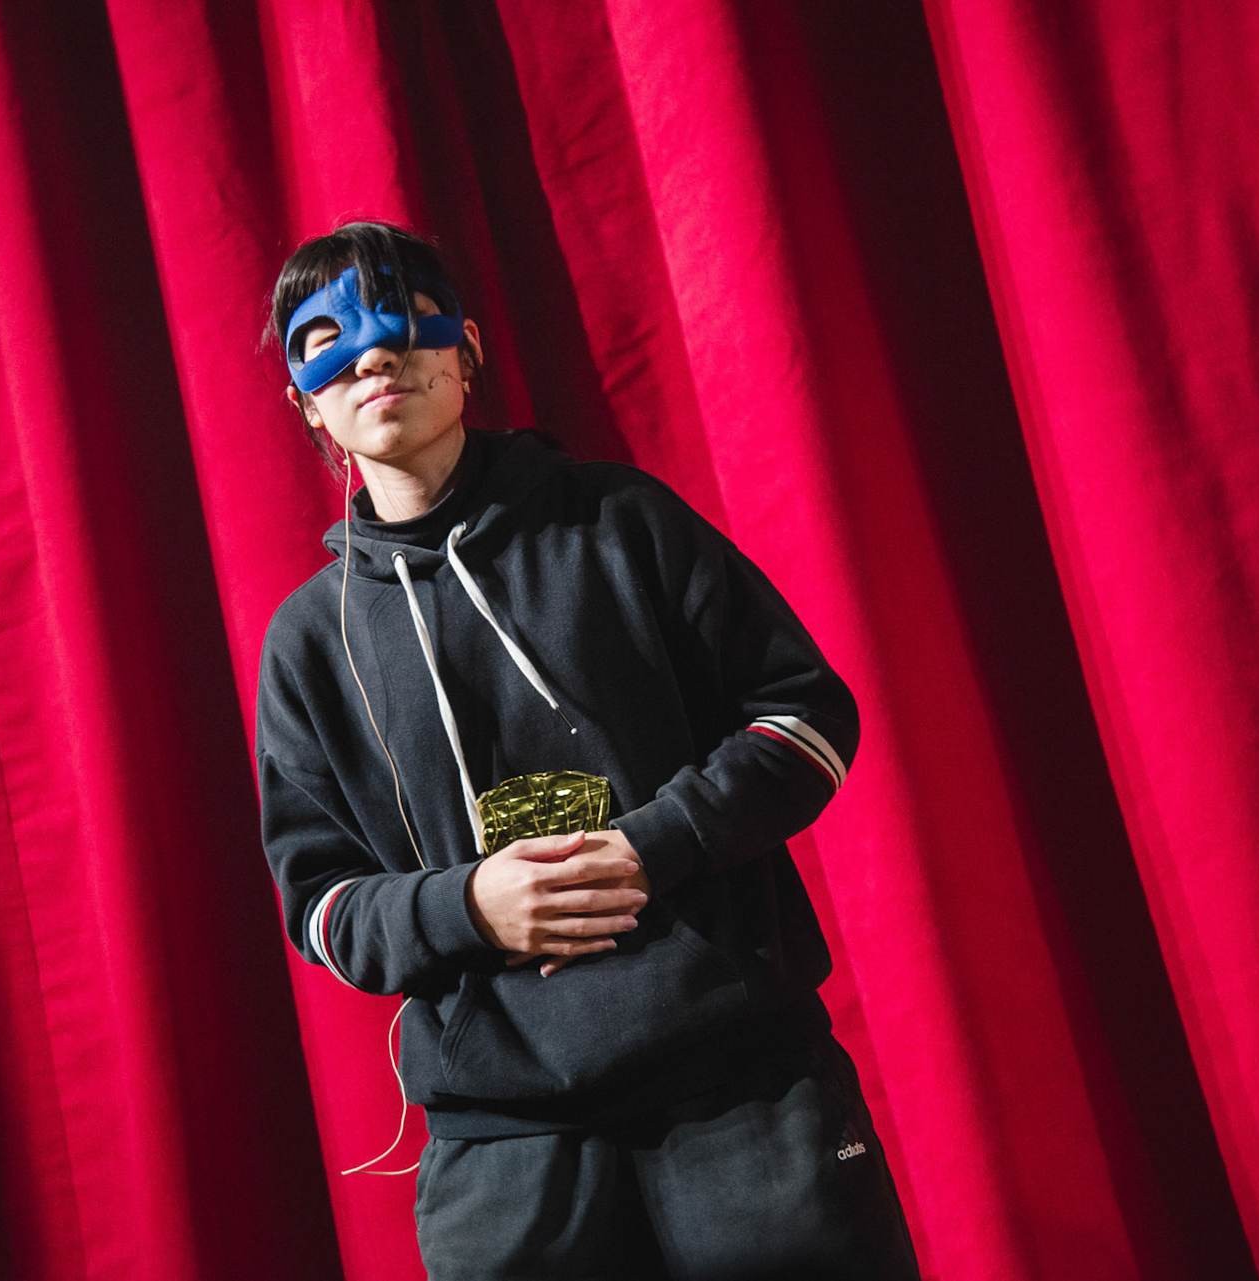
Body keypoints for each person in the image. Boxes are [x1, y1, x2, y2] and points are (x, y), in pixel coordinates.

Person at [254, 221, 919, 1279]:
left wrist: (654, 847)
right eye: (328, 339)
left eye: (406, 319)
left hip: (744, 1089)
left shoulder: (621, 522)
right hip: (504, 1146)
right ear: (306, 402)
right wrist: (467, 907)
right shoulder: (308, 644)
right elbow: (322, 907)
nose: (374, 356)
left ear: (467, 349)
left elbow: (804, 720)